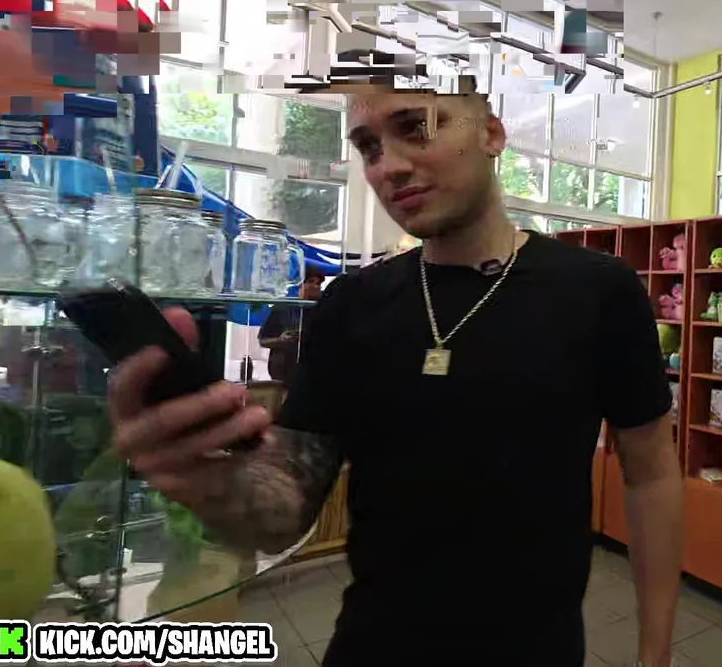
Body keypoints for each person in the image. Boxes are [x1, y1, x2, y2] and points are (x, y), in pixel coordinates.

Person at [106, 80, 684, 665]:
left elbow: (652, 475)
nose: (388, 166)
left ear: (491, 133)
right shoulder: (350, 305)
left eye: (415, 127)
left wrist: (655, 653)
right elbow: (284, 509)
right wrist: (207, 480)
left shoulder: (597, 291)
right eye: (368, 146)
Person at [256, 267, 325, 383]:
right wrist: (280, 341)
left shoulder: (323, 310)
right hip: (284, 372)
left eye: (318, 284)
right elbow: (262, 341)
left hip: (313, 373)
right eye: (311, 282)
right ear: (301, 284)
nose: (316, 287)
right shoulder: (283, 308)